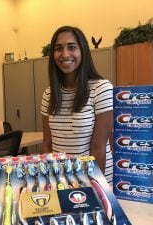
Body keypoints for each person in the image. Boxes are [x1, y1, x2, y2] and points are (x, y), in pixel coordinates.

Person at [41, 25, 113, 184]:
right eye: (59, 48)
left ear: (83, 52)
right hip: (62, 181)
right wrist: (47, 179)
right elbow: (47, 143)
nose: (65, 54)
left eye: (72, 47)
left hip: (95, 179)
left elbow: (98, 147)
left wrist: (92, 186)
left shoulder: (101, 89)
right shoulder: (49, 94)